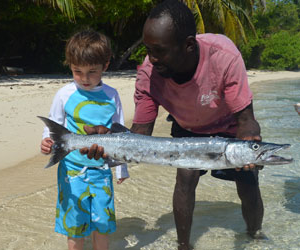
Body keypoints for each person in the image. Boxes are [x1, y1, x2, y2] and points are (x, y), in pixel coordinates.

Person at [83, 1, 264, 249]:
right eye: (148, 50)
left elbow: (245, 121)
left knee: (248, 184)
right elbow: (140, 136)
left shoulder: (223, 56)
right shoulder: (149, 74)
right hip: (187, 127)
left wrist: (251, 142)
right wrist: (109, 144)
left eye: (159, 51)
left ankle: (255, 236)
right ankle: (183, 245)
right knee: (185, 180)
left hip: (227, 125)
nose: (152, 58)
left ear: (188, 45)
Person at [40, 30, 129, 250]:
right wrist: (46, 142)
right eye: (77, 71)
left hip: (101, 170)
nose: (84, 78)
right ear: (70, 65)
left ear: (105, 66)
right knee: (75, 222)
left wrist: (121, 168)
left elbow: (121, 134)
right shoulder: (65, 94)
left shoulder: (111, 95)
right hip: (71, 170)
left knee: (102, 221)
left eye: (92, 72)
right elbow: (54, 124)